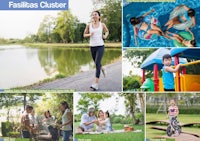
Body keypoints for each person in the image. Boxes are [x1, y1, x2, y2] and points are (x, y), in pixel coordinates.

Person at [83, 10, 109, 91]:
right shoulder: (89, 25)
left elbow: (107, 31)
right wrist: (89, 34)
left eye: (95, 14)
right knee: (96, 63)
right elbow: (84, 35)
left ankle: (96, 84)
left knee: (97, 63)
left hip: (100, 46)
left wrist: (105, 36)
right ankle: (103, 68)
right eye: (92, 15)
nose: (94, 16)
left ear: (99, 16)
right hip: (92, 46)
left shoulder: (102, 24)